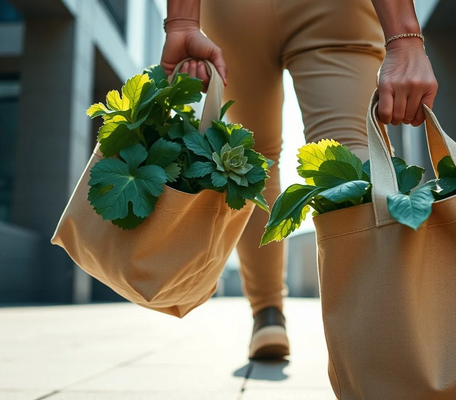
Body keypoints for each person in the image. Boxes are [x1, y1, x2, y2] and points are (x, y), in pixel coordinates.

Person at [160, 0, 438, 359]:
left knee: (250, 161)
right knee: (347, 148)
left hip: (233, 11)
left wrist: (182, 20)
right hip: (337, 10)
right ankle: (379, 329)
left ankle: (268, 314)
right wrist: (405, 38)